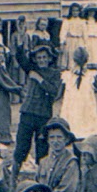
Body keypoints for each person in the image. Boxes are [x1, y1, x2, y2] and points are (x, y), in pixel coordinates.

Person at [14, 44, 63, 177]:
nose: (41, 60)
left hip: (44, 115)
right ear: (35, 59)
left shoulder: (55, 73)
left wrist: (40, 80)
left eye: (44, 57)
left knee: (42, 149)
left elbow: (54, 91)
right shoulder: (32, 69)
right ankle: (13, 177)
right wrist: (20, 41)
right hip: (27, 113)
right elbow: (20, 58)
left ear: (49, 59)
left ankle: (41, 178)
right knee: (21, 148)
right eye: (39, 57)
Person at [58, 46, 97, 142]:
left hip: (71, 112)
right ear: (87, 60)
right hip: (86, 112)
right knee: (85, 138)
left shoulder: (67, 76)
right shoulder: (90, 75)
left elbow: (57, 94)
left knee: (72, 135)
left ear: (73, 60)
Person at [60, 4, 85, 69]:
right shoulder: (67, 21)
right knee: (70, 55)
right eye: (73, 11)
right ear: (71, 11)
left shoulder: (82, 21)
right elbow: (63, 32)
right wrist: (62, 42)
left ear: (79, 12)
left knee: (78, 55)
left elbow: (85, 33)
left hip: (79, 40)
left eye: (77, 11)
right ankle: (69, 69)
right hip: (70, 40)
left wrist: (85, 43)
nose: (75, 12)